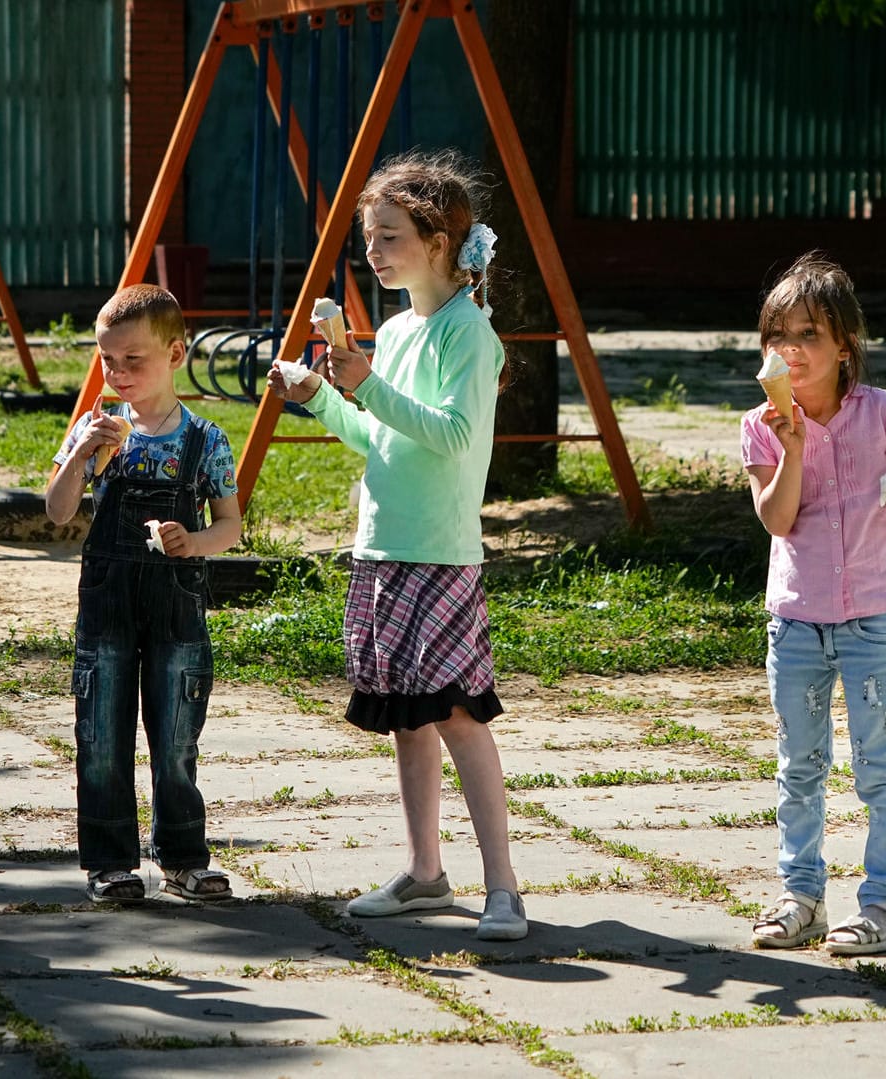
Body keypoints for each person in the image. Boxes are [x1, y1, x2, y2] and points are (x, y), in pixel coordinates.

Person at [267, 149, 527, 942]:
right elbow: (381, 437)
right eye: (370, 238)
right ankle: (425, 874)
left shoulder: (468, 334)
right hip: (384, 549)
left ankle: (504, 888)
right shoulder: (403, 327)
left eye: (389, 237)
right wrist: (322, 397)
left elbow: (449, 436)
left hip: (440, 555)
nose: (374, 253)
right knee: (407, 721)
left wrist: (366, 383)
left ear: (441, 242)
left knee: (455, 714)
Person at [739, 253, 886, 953]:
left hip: (873, 620)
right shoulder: (760, 424)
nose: (791, 351)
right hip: (795, 622)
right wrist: (791, 445)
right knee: (799, 765)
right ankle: (801, 896)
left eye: (809, 335)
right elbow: (779, 519)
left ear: (844, 345)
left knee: (879, 763)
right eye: (778, 336)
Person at [46, 284, 243, 905]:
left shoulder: (204, 440)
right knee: (101, 735)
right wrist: (81, 453)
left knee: (176, 734)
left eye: (134, 359)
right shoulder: (97, 430)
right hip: (106, 606)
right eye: (109, 360)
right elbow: (57, 512)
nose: (119, 373)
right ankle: (110, 862)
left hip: (176, 608)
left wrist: (195, 541)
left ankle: (184, 857)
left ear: (176, 353)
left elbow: (230, 526)